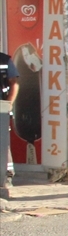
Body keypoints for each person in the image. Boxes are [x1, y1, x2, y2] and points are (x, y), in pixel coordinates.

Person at [1, 50, 18, 178]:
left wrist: (8, 104)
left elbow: (14, 84)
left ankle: (7, 175)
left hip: (1, 108)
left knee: (3, 141)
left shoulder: (4, 61)